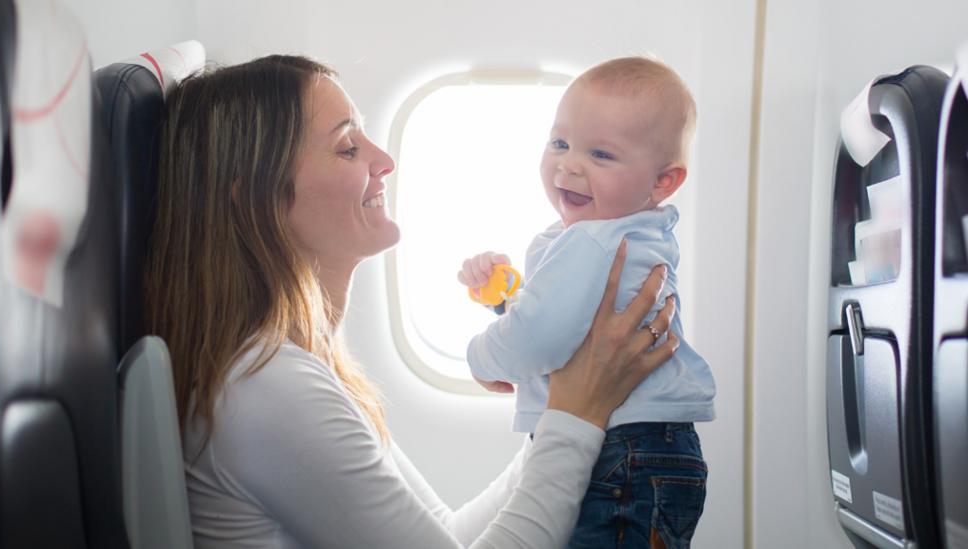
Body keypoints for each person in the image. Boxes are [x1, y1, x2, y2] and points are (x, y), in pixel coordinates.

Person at [145, 54, 680, 549]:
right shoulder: (266, 387)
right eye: (347, 147)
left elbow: (448, 534)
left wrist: (570, 402)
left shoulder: (303, 366)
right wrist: (576, 411)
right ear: (257, 196)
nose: (383, 160)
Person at [458, 56, 716, 548]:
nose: (569, 164)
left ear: (663, 181)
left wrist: (481, 357)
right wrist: (506, 299)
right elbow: (570, 324)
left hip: (620, 451)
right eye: (560, 143)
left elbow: (542, 338)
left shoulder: (591, 242)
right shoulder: (629, 233)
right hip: (651, 449)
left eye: (600, 155)